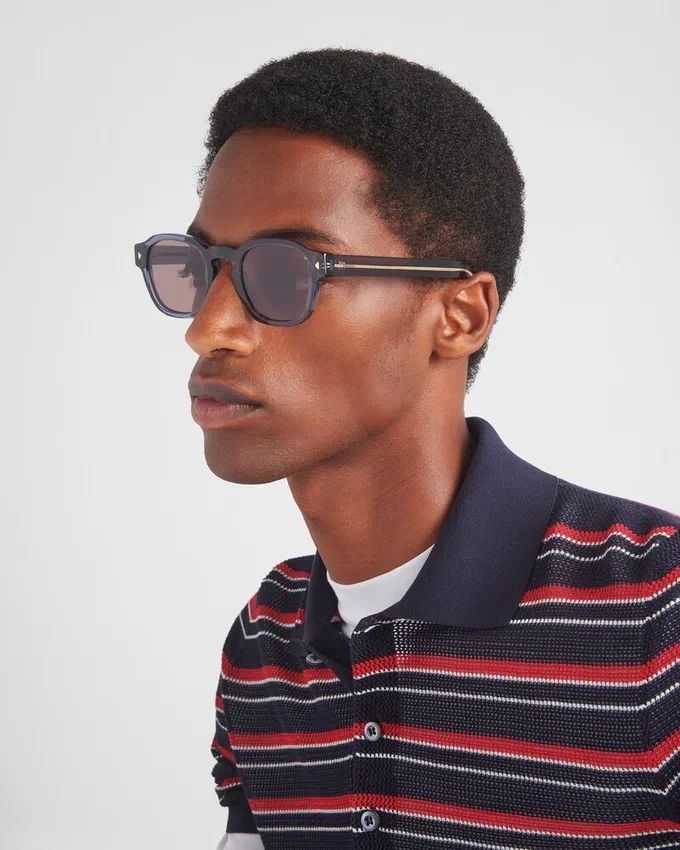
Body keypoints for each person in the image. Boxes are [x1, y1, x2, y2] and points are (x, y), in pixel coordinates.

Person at [134, 48, 680, 849]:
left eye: (284, 273)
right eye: (200, 269)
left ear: (459, 315)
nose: (206, 329)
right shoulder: (265, 643)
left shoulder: (658, 610)